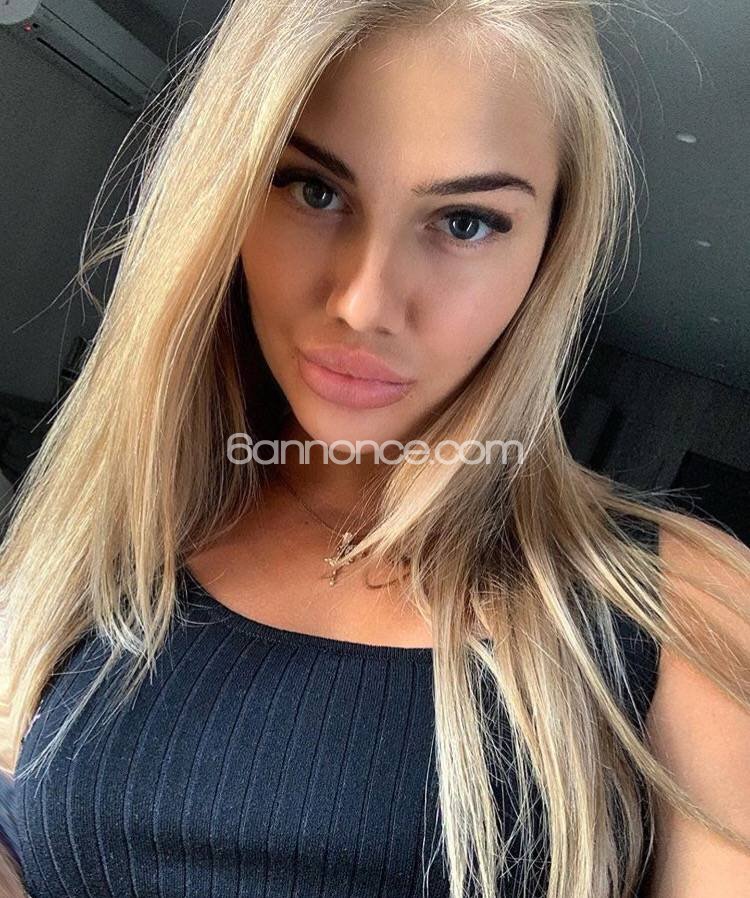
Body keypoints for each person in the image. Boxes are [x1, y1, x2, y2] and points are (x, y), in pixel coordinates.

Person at [1, 2, 748, 897]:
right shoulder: (95, 538)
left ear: (551, 250)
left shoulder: (685, 608)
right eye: (313, 189)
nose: (364, 302)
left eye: (465, 222)